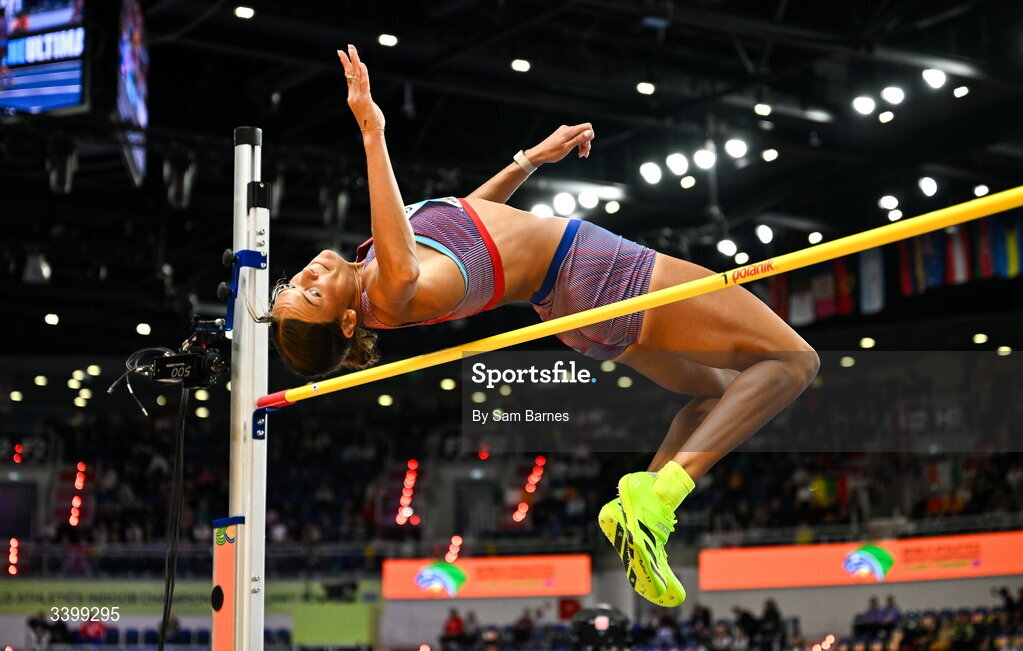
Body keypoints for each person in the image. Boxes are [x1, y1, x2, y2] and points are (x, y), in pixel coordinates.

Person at [264, 44, 819, 607]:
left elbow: (464, 221)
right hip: (592, 270)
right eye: (314, 295)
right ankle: (664, 495)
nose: (310, 275)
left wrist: (528, 161)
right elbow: (407, 262)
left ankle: (644, 511)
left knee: (717, 397)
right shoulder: (388, 287)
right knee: (794, 361)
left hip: (569, 309)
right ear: (350, 320)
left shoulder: (380, 264)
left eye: (295, 283)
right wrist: (370, 130)